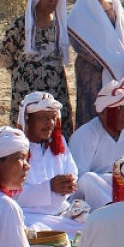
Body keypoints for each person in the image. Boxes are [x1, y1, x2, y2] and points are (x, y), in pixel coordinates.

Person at [1, 0, 74, 138]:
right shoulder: (21, 25)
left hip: (55, 88)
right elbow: (7, 56)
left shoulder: (61, 25)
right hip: (26, 88)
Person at [68, 0, 124, 129]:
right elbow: (79, 43)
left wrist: (121, 63)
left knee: (119, 112)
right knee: (94, 114)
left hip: (119, 72)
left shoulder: (115, 9)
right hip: (92, 72)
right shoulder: (80, 13)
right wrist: (107, 62)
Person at [16, 92, 84, 236]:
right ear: (28, 120)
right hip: (29, 215)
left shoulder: (59, 143)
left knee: (92, 227)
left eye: (53, 118)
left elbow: (72, 173)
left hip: (60, 212)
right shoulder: (15, 149)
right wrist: (49, 187)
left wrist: (67, 184)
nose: (51, 124)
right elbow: (12, 193)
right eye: (44, 119)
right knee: (31, 232)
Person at [68, 80, 124, 210]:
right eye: (119, 109)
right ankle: (117, 210)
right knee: (87, 179)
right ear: (103, 112)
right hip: (95, 193)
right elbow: (78, 179)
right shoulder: (86, 134)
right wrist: (112, 180)